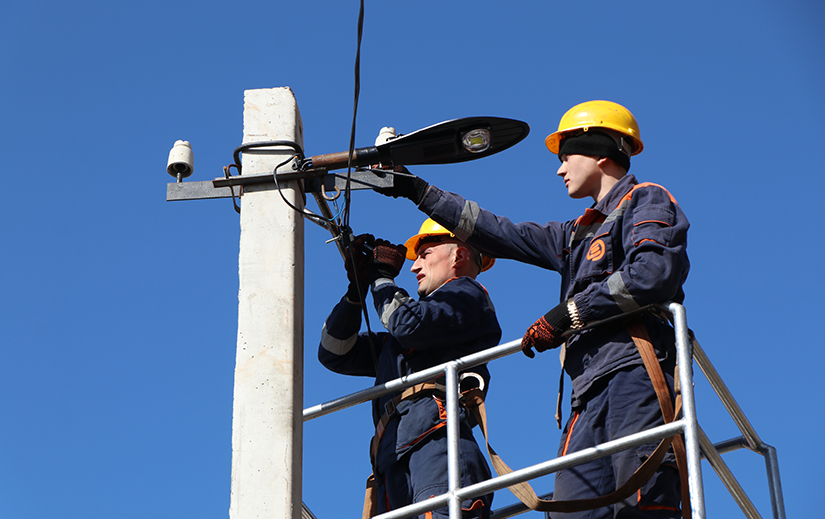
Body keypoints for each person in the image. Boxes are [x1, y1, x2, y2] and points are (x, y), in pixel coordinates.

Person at [375, 100, 690, 518]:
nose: (560, 169)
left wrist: (570, 313)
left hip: (634, 371)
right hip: (585, 392)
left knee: (643, 502)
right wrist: (416, 190)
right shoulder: (575, 235)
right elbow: (498, 232)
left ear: (600, 150)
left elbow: (652, 273)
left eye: (566, 157)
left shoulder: (645, 200)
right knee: (568, 510)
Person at [318, 218, 501, 519]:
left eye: (425, 254)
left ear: (459, 255)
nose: (415, 267)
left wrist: (382, 279)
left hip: (437, 445)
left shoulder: (468, 296)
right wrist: (356, 292)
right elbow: (334, 352)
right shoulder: (406, 335)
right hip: (394, 458)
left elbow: (408, 324)